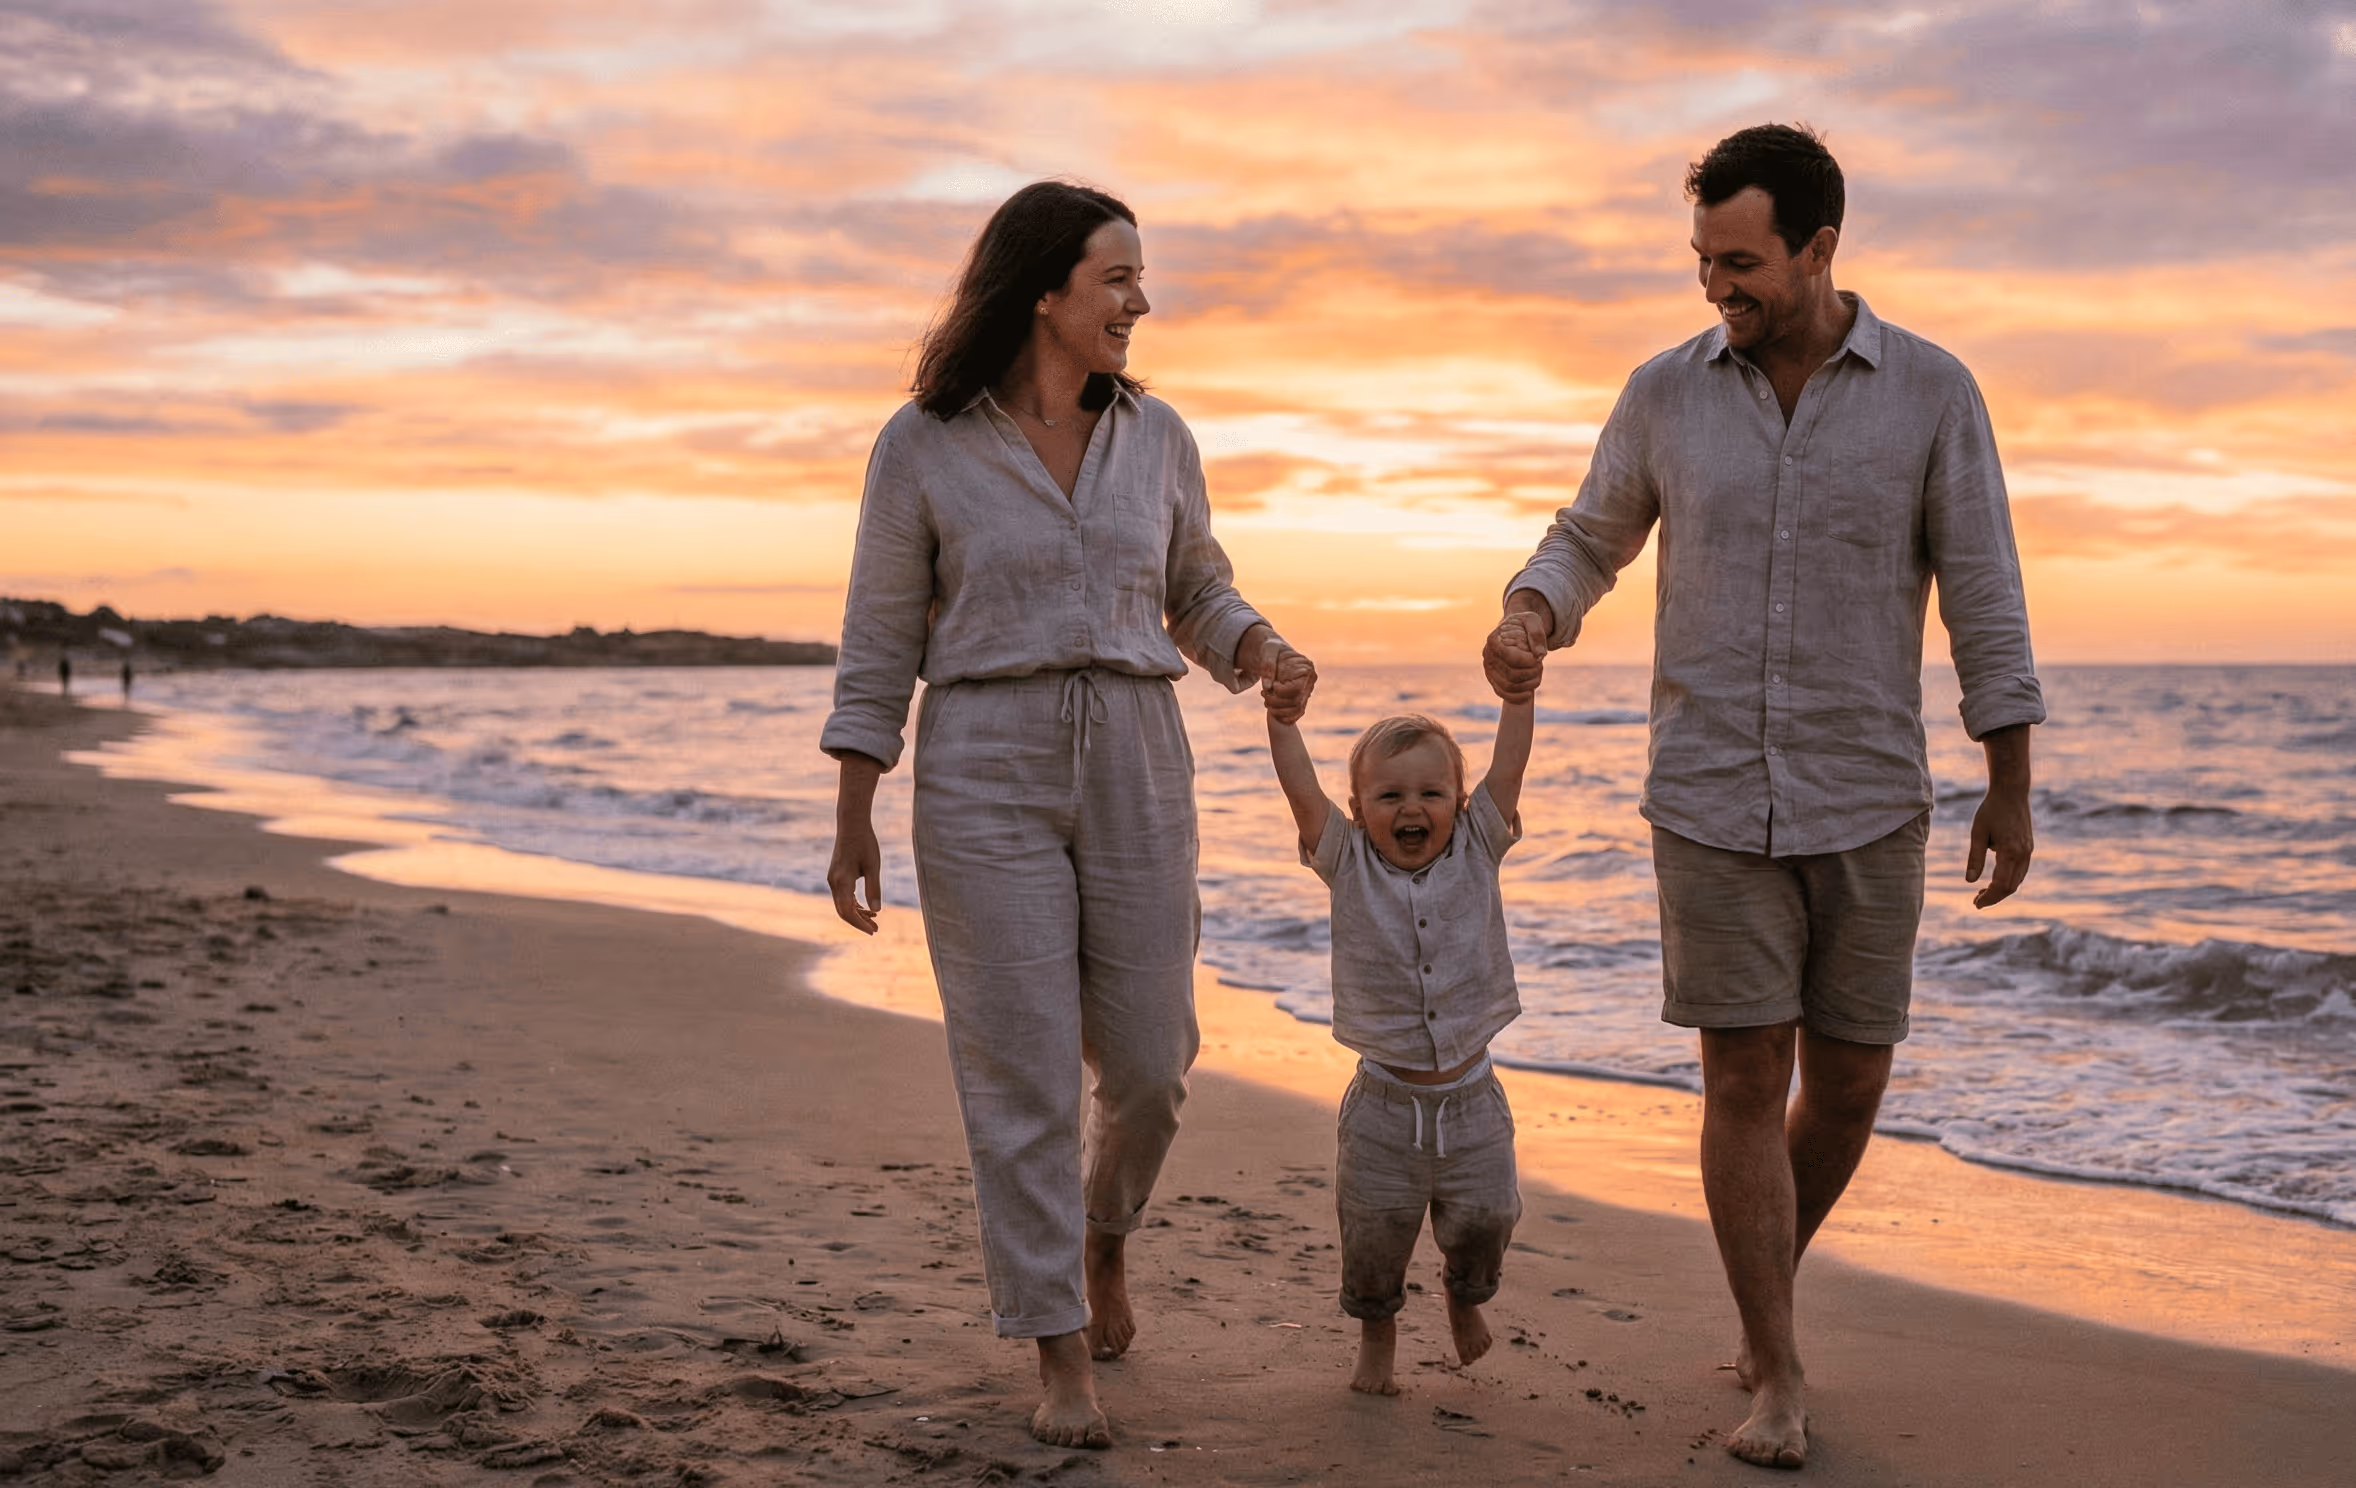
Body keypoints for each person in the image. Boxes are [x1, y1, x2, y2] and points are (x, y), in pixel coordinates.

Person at [1484, 124, 2042, 1470]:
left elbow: (1983, 588)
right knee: (1744, 1070)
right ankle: (1777, 1369)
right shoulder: (1666, 394)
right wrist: (1532, 609)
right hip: (1710, 791)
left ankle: (1762, 1294)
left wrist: (2008, 780)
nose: (1715, 286)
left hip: (1869, 793)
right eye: (1701, 261)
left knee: (1848, 1080)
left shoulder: (1932, 393)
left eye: (1740, 261)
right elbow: (1591, 531)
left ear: (1817, 247)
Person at [822, 181, 1315, 1450]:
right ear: (1044, 290)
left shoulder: (1157, 437)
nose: (1139, 303)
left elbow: (1194, 584)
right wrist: (855, 807)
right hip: (984, 757)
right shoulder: (922, 442)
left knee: (1152, 1066)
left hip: (1139, 757)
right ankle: (1058, 1358)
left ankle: (1103, 1241)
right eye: (1118, 279)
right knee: (1021, 1075)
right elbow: (880, 634)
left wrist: (1257, 648)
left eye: (1139, 281)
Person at [1261, 617, 1540, 1396]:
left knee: (1488, 1220)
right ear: (1358, 807)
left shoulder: (1479, 844)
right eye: (1389, 795)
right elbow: (1299, 789)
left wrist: (1518, 695)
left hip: (1473, 1103)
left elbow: (1509, 763)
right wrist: (1282, 723)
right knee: (1375, 1237)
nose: (1411, 808)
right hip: (1382, 1109)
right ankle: (1376, 1349)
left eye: (1431, 792)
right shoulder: (1345, 859)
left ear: (1458, 800)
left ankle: (1462, 1294)